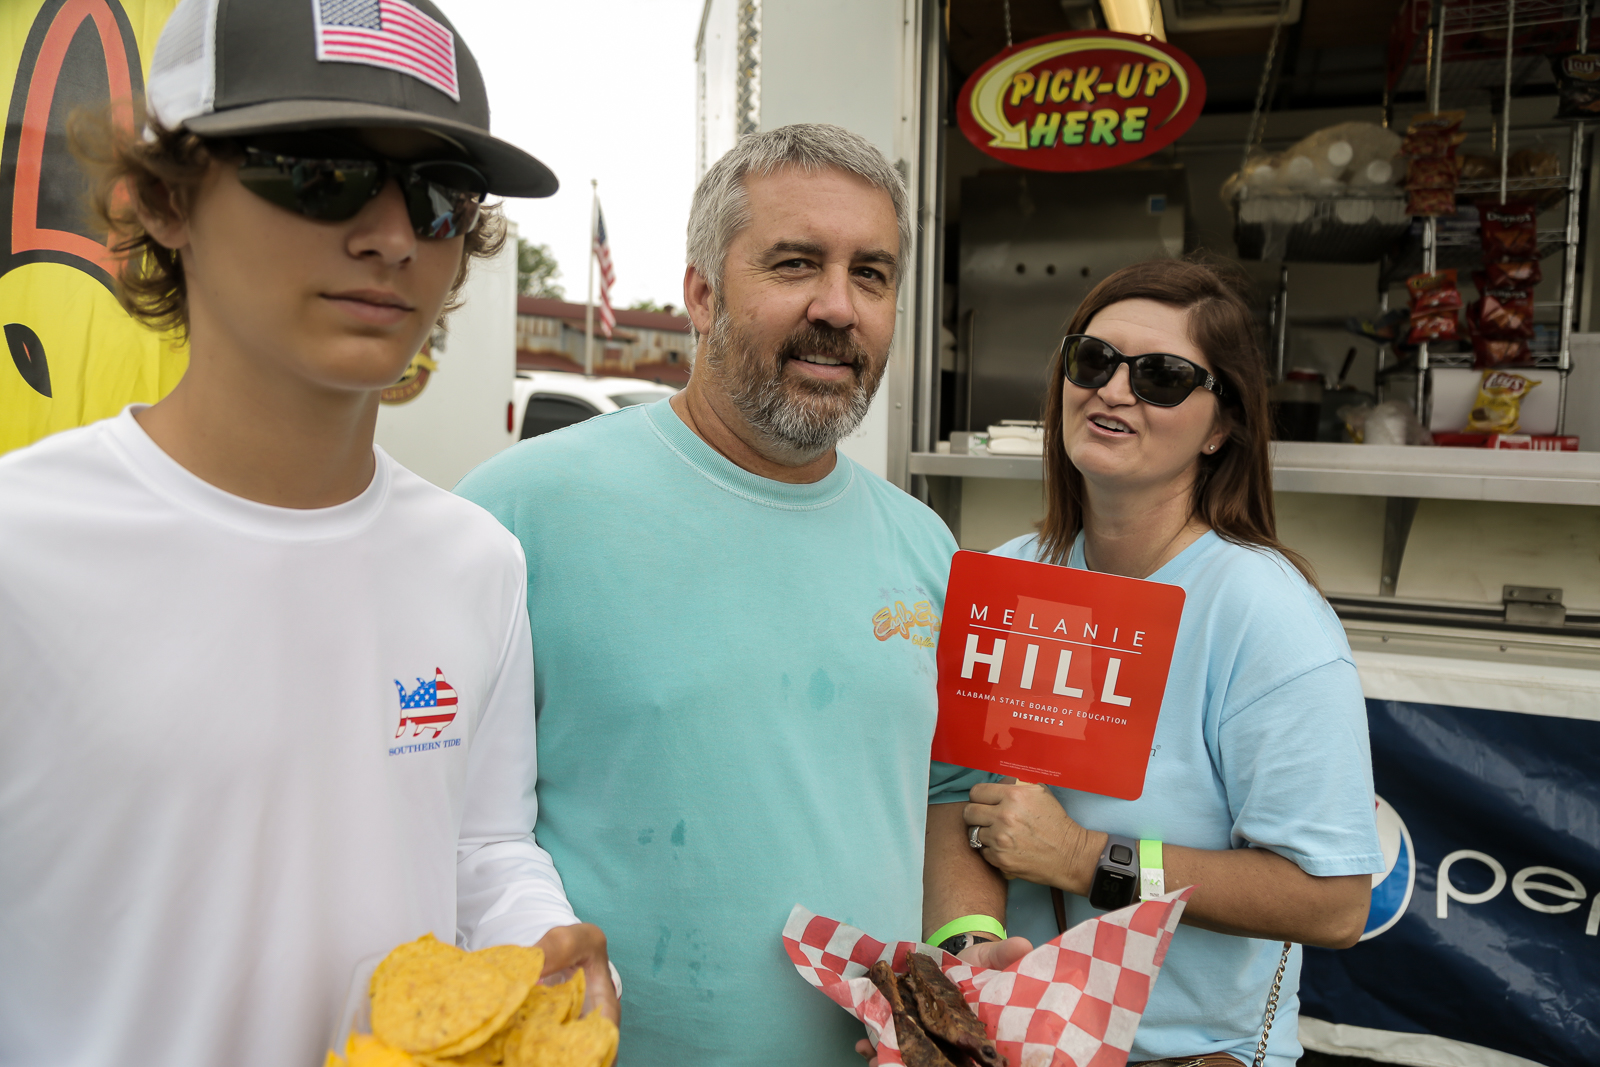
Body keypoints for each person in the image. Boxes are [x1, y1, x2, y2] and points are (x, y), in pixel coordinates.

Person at [0, 2, 615, 1065]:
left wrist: (538, 945)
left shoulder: (475, 561)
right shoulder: (22, 543)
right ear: (162, 201)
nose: (387, 237)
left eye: (436, 196)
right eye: (316, 170)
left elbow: (482, 843)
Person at [456, 123, 1017, 1065]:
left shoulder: (924, 545)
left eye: (872, 274)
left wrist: (963, 949)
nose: (838, 307)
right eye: (796, 263)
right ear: (702, 294)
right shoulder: (520, 512)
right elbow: (442, 821)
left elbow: (948, 795)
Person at [945, 258, 1383, 1067]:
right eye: (1093, 360)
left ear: (1220, 426)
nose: (1115, 390)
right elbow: (955, 802)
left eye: (1162, 377)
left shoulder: (1264, 613)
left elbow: (1335, 902)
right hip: (1008, 1045)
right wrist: (970, 938)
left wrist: (1084, 858)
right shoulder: (1007, 579)